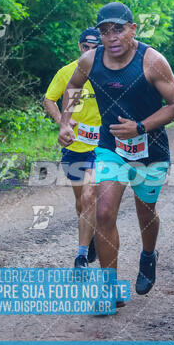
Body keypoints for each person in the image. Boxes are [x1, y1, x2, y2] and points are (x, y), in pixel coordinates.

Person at [58, 2, 174, 297]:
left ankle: (148, 255)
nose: (111, 37)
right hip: (109, 147)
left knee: (146, 212)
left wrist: (140, 127)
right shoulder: (90, 60)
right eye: (104, 31)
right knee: (103, 212)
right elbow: (73, 87)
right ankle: (108, 289)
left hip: (150, 150)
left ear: (132, 29)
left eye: (118, 29)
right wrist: (66, 122)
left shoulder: (152, 62)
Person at [44, 27, 101, 268]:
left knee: (90, 195)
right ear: (80, 47)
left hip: (102, 146)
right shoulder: (67, 72)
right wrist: (63, 122)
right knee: (81, 202)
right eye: (86, 47)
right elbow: (49, 99)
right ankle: (92, 236)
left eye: (95, 48)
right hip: (74, 145)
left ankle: (80, 256)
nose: (89, 52)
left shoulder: (107, 74)